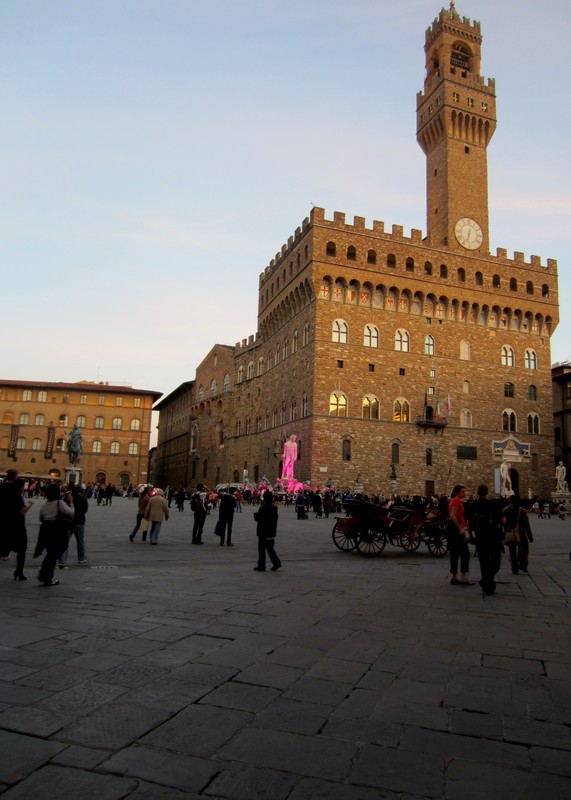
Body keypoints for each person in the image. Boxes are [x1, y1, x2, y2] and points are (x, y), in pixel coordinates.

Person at [35, 484, 74, 586]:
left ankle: (46, 575)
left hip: (45, 530)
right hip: (57, 530)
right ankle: (45, 576)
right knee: (55, 553)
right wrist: (70, 503)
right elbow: (70, 513)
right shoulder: (59, 503)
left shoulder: (44, 505)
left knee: (51, 553)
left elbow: (41, 518)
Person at [467, 485, 502, 595]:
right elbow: (503, 520)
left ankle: (486, 582)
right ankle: (487, 582)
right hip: (494, 536)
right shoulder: (493, 504)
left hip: (480, 536)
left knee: (484, 561)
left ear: (478, 492)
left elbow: (469, 523)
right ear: (487, 493)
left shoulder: (473, 505)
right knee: (496, 562)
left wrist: (471, 536)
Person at [5, 478, 32, 581]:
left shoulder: (6, 496)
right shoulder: (17, 497)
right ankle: (19, 571)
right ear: (20, 487)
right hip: (18, 527)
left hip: (7, 525)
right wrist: (29, 505)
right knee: (22, 550)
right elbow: (21, 511)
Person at [446, 484, 473, 586]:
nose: (464, 493)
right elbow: (452, 515)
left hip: (453, 530)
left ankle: (454, 577)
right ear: (457, 492)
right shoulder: (457, 500)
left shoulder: (453, 500)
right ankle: (463, 577)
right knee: (465, 553)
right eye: (462, 491)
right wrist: (460, 528)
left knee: (454, 553)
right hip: (456, 530)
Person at [502, 495, 533, 575]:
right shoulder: (521, 511)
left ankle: (514, 568)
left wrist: (505, 530)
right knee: (524, 548)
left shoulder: (505, 510)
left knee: (512, 552)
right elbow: (526, 525)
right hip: (521, 533)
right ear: (518, 501)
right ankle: (522, 564)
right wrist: (530, 536)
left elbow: (502, 522)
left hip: (510, 533)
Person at [58, 485, 88, 567]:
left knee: (65, 541)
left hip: (69, 522)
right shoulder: (83, 498)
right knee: (80, 541)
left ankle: (62, 560)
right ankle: (81, 559)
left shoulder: (67, 498)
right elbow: (85, 510)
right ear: (80, 490)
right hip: (80, 522)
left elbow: (62, 507)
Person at [253, 491, 282, 571]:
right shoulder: (274, 507)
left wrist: (255, 515)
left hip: (263, 530)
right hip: (271, 530)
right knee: (269, 547)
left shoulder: (264, 507)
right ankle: (276, 562)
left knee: (262, 548)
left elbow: (260, 518)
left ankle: (261, 565)